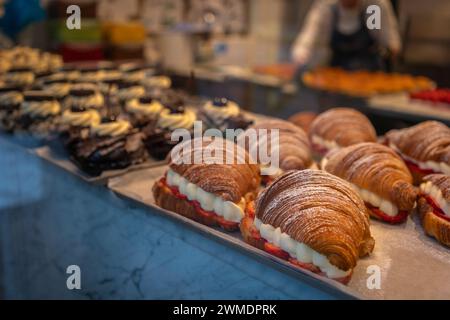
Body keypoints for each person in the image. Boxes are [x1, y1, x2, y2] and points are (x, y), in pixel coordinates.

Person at [292, 0, 401, 71]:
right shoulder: (328, 7)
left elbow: (389, 43)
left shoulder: (373, 8)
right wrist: (300, 58)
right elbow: (308, 38)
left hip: (368, 74)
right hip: (335, 74)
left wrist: (388, 51)